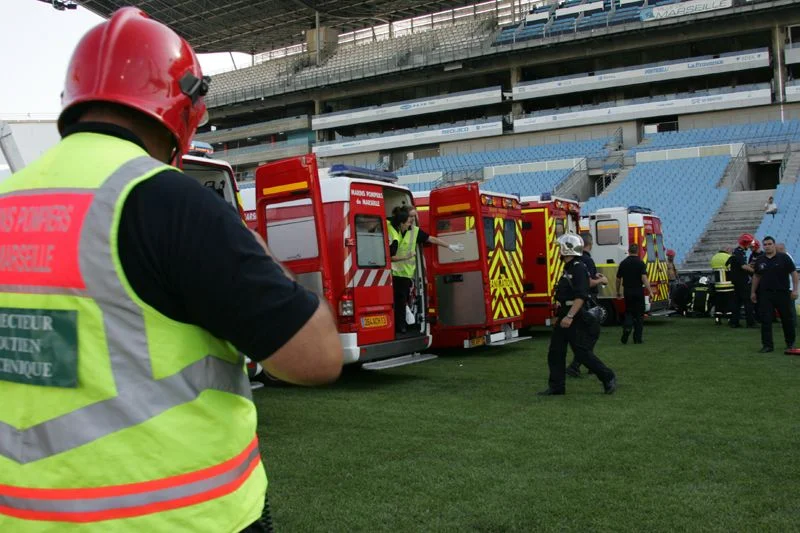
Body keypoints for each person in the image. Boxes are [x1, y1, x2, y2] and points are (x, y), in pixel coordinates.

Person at [0, 9, 343, 532]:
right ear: (184, 110)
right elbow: (315, 357)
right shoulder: (168, 201)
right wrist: (258, 256)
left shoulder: (8, 201)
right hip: (179, 518)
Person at [538, 234, 617, 396]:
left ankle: (608, 376)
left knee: (582, 353)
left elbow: (581, 295)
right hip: (566, 313)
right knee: (555, 352)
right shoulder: (569, 268)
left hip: (574, 314)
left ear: (567, 249)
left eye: (560, 248)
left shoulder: (578, 268)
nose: (558, 251)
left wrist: (570, 316)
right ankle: (557, 387)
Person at [387, 206, 462, 333]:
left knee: (401, 301)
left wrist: (449, 246)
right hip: (392, 272)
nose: (413, 219)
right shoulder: (392, 226)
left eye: (414, 216)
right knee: (398, 301)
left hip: (405, 274)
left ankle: (401, 325)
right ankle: (400, 326)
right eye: (411, 216)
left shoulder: (414, 231)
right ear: (403, 217)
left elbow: (431, 238)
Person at [566, 232, 608, 377]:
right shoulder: (587, 260)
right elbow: (588, 282)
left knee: (585, 334)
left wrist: (595, 276)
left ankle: (587, 364)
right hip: (587, 300)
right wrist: (601, 280)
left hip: (577, 301)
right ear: (590, 243)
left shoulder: (575, 260)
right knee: (591, 333)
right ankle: (579, 365)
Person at [751, 236, 798, 353]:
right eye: (765, 244)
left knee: (787, 319)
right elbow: (756, 276)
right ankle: (767, 345)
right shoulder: (760, 260)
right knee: (766, 320)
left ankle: (790, 343)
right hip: (766, 294)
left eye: (769, 244)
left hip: (782, 293)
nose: (767, 246)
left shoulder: (784, 258)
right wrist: (753, 292)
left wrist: (795, 290)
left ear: (774, 245)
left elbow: (794, 273)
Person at [616, 243, 652, 344]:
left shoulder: (623, 263)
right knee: (639, 315)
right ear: (637, 251)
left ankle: (627, 327)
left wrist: (618, 291)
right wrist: (650, 291)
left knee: (629, 312)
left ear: (628, 251)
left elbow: (618, 279)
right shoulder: (641, 263)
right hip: (638, 291)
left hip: (627, 291)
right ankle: (637, 339)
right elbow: (644, 278)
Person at [726, 234, 755, 328]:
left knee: (737, 302)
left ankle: (734, 322)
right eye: (749, 244)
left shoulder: (737, 252)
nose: (750, 246)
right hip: (742, 281)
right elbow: (743, 266)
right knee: (748, 302)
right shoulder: (739, 252)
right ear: (745, 243)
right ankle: (750, 323)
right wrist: (755, 272)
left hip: (737, 281)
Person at [776, 243, 798, 329]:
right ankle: (789, 322)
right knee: (787, 306)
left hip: (789, 287)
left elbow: (793, 273)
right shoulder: (785, 257)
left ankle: (792, 323)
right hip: (786, 286)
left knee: (790, 306)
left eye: (777, 250)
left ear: (781, 249)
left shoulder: (787, 258)